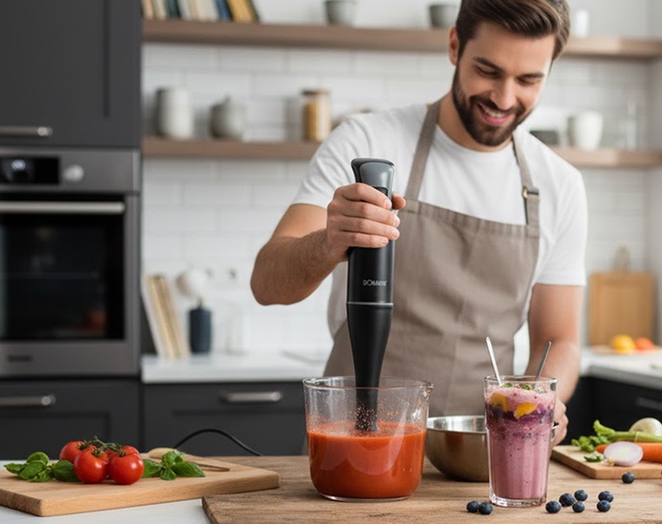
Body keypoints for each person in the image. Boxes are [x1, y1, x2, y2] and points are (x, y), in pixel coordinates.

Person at [250, 0, 586, 445]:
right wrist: (330, 242)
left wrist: (542, 398)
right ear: (454, 46)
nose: (504, 98)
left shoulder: (558, 184)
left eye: (528, 80)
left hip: (479, 453)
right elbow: (268, 284)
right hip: (357, 437)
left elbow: (560, 340)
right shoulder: (368, 142)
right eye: (487, 70)